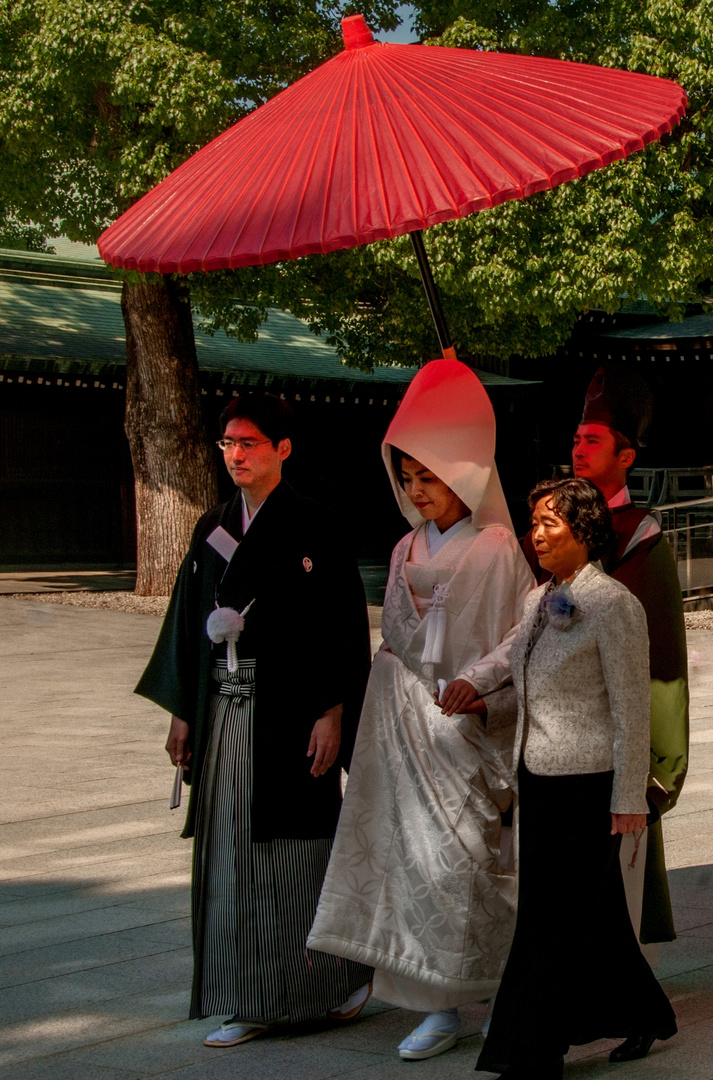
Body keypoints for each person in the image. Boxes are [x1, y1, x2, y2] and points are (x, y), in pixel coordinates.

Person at [307, 359, 534, 1061]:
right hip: (405, 721)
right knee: (414, 861)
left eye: (427, 477)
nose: (415, 491)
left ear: (460, 477)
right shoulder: (407, 545)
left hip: (465, 728)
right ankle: (435, 1003)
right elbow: (396, 639)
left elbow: (517, 638)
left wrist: (477, 685)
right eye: (406, 479)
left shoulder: (497, 550)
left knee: (469, 867)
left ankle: (498, 993)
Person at [135, 394, 373, 1046]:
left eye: (249, 443)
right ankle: (248, 996)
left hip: (293, 713)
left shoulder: (314, 525)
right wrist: (183, 711)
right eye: (228, 445)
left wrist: (332, 711)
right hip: (224, 708)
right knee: (231, 848)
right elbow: (188, 622)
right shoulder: (211, 525)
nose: (236, 455)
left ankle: (334, 980)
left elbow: (339, 626)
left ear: (281, 449)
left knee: (297, 849)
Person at [477, 477, 677, 1080]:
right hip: (539, 779)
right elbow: (527, 683)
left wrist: (628, 799)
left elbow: (630, 708)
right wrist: (481, 702)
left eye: (550, 525)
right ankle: (644, 1012)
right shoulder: (540, 600)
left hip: (589, 786)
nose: (535, 535)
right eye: (533, 523)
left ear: (584, 532)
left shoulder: (616, 605)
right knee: (595, 916)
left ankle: (533, 1050)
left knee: (549, 920)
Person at [521, 366, 688, 1040]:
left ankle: (614, 1009)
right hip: (553, 743)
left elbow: (660, 663)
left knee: (603, 892)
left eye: (594, 439)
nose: (579, 449)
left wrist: (655, 762)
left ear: (626, 455)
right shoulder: (551, 532)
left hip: (611, 744)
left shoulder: (640, 536)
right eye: (575, 437)